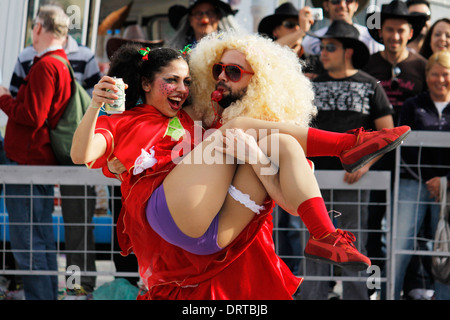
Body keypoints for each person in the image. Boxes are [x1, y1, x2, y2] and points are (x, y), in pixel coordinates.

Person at [72, 32, 408, 299]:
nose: (184, 89)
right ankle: (346, 145)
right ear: (146, 84)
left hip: (214, 241)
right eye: (215, 70)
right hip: (171, 218)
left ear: (261, 82)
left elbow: (290, 203)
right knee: (238, 130)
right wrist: (95, 109)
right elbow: (81, 155)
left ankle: (325, 236)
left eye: (188, 81)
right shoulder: (145, 120)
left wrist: (257, 159)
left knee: (284, 143)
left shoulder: (218, 128)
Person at [297, 20, 394, 300]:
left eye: (330, 47)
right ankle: (311, 297)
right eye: (322, 47)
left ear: (348, 51)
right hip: (311, 180)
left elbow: (387, 134)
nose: (323, 53)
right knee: (314, 243)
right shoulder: (310, 85)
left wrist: (365, 163)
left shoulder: (370, 85)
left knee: (353, 245)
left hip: (352, 181)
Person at [8, 17, 103, 299]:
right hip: (57, 151)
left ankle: (76, 286)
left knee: (73, 227)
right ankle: (63, 289)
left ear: (39, 28)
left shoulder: (73, 57)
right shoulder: (34, 57)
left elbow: (26, 108)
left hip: (63, 152)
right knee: (47, 229)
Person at [0, 5, 72, 300]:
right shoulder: (60, 63)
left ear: (39, 28)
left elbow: (33, 115)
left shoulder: (46, 65)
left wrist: (4, 98)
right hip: (35, 162)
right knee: (38, 239)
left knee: (28, 241)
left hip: (27, 162)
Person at [396, 50, 450, 300]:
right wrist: (431, 180)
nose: (441, 80)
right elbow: (402, 147)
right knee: (401, 245)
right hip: (413, 184)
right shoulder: (412, 105)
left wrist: (445, 182)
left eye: (446, 74)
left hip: (448, 187)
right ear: (426, 76)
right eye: (435, 74)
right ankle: (390, 294)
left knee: (445, 247)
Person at [257, 2, 322, 78]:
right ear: (276, 31)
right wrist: (302, 30)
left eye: (300, 24)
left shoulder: (316, 62)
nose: (297, 28)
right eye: (290, 25)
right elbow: (269, 51)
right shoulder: (265, 58)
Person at [302, 0, 384, 56]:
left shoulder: (371, 39)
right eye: (336, 0)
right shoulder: (311, 40)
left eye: (349, 0)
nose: (342, 5)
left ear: (356, 5)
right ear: (326, 5)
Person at [167, 0, 239, 50]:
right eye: (198, 14)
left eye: (210, 13)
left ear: (218, 17)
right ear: (190, 20)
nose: (205, 20)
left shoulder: (229, 48)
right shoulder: (181, 51)